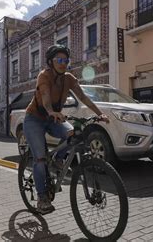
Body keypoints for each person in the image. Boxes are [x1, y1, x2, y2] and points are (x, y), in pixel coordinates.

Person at [23, 44, 110, 214]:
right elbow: (46, 97)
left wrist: (100, 114)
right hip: (34, 119)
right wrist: (51, 112)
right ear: (51, 62)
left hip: (53, 118)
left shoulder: (69, 78)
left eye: (66, 60)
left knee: (73, 134)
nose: (63, 63)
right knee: (40, 159)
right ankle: (42, 198)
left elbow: (83, 97)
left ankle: (57, 159)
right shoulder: (44, 76)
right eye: (59, 60)